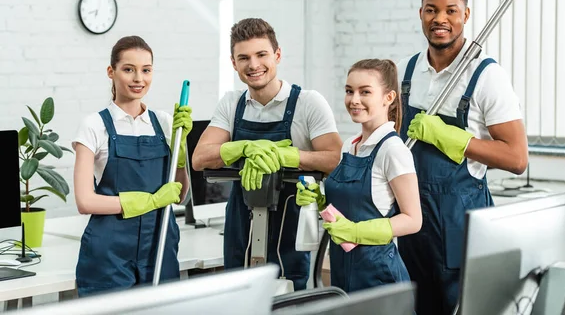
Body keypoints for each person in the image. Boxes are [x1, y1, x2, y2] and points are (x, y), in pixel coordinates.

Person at [396, 0, 529, 314]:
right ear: (421, 12)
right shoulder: (409, 72)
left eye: (451, 10)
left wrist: (454, 138)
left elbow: (517, 158)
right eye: (431, 9)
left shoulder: (486, 76)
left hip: (463, 227)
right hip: (415, 227)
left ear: (465, 15)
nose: (440, 19)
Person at [192, 18, 342, 291]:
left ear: (277, 55)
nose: (253, 65)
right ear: (233, 62)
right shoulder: (232, 103)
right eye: (244, 57)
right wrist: (244, 148)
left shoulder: (308, 103)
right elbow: (200, 157)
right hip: (241, 219)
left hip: (291, 219)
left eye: (261, 54)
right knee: (237, 295)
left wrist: (285, 156)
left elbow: (334, 158)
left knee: (288, 296)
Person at [73, 36, 193, 297]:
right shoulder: (94, 125)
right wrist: (147, 201)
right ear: (111, 72)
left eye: (146, 70)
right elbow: (84, 201)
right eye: (129, 69)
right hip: (109, 257)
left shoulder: (164, 121)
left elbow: (179, 196)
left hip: (160, 246)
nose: (139, 78)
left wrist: (181, 154)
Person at [296, 59, 422, 293]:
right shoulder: (349, 146)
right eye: (349, 91)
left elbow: (413, 219)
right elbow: (348, 206)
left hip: (378, 276)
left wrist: (356, 232)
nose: (354, 100)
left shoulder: (393, 150)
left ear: (389, 97)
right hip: (343, 271)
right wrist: (320, 200)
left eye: (365, 92)